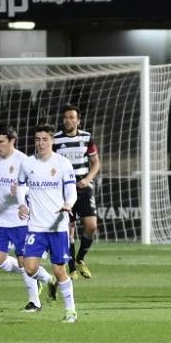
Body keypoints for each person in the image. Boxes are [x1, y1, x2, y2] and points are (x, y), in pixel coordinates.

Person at [0, 125, 55, 299]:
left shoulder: (25, 162)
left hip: (21, 219)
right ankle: (45, 278)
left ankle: (34, 302)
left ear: (12, 141)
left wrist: (21, 191)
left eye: (1, 142)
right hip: (2, 219)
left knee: (25, 262)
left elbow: (37, 188)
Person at [18, 124, 78, 322]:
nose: (41, 143)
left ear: (52, 141)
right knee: (29, 267)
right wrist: (21, 204)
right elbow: (19, 186)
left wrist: (68, 204)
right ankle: (48, 280)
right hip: (36, 225)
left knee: (60, 269)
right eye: (37, 139)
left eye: (45, 139)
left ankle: (70, 311)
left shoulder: (63, 163)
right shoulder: (27, 163)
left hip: (57, 225)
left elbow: (71, 190)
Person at [53, 105, 100, 279]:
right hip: (64, 189)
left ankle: (80, 259)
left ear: (78, 120)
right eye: (66, 117)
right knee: (69, 228)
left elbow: (96, 163)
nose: (68, 120)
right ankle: (71, 268)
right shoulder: (55, 139)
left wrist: (88, 179)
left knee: (91, 226)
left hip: (84, 187)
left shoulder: (87, 137)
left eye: (72, 117)